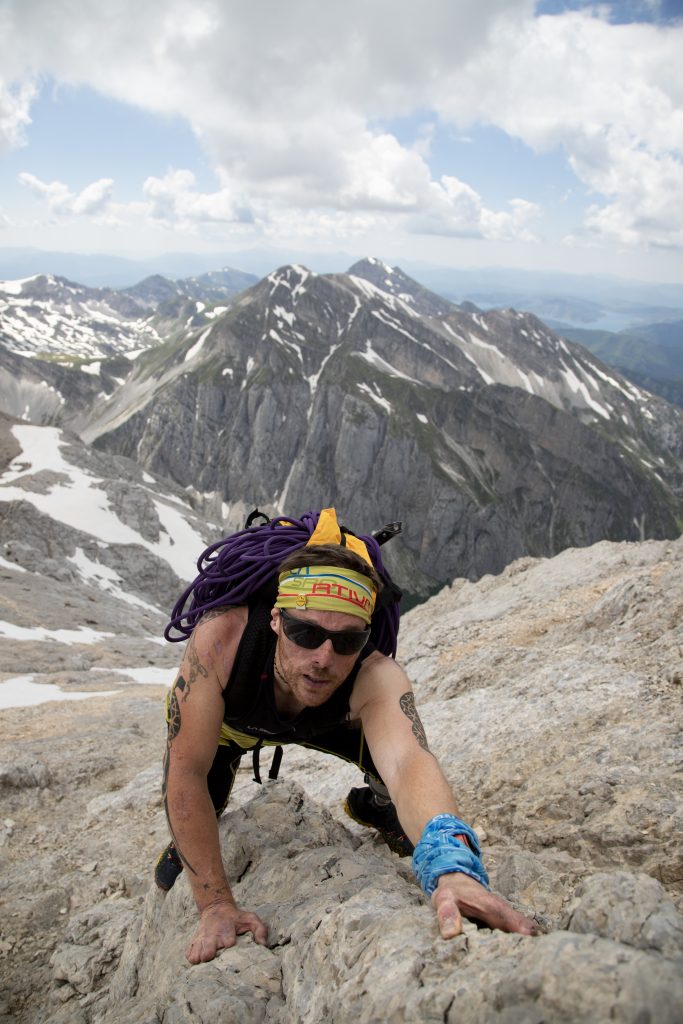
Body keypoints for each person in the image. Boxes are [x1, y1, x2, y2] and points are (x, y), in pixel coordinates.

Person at [155, 515, 537, 964]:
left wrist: (454, 870)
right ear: (276, 619)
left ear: (366, 637)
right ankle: (189, 844)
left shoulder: (374, 674)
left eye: (347, 640)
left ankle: (377, 808)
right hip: (231, 728)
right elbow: (186, 771)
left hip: (322, 720)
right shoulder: (220, 642)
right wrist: (214, 902)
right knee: (195, 821)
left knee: (393, 785)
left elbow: (409, 763)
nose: (324, 658)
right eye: (306, 633)